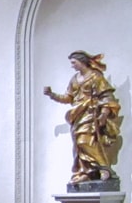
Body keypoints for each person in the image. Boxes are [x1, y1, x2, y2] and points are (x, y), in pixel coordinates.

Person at [43, 50, 122, 184]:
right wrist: (52, 95)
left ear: (82, 62)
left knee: (85, 142)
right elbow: (68, 98)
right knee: (78, 146)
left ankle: (105, 169)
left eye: (74, 63)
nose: (72, 65)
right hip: (78, 115)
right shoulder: (74, 79)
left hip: (92, 115)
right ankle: (87, 171)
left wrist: (103, 115)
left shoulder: (96, 77)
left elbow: (107, 97)